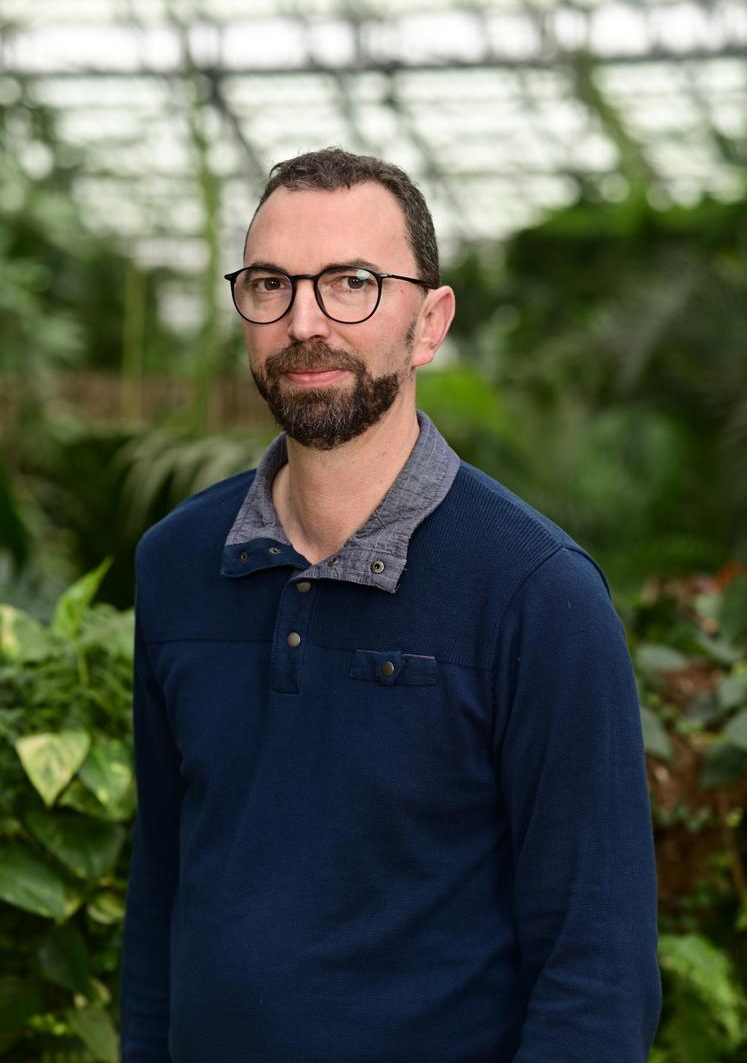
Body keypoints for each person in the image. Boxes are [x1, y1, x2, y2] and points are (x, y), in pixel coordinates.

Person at [120, 148, 661, 1063]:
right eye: (269, 284)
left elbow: (596, 971)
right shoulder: (176, 563)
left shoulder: (537, 594)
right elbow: (163, 890)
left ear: (428, 322)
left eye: (353, 283)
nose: (304, 322)